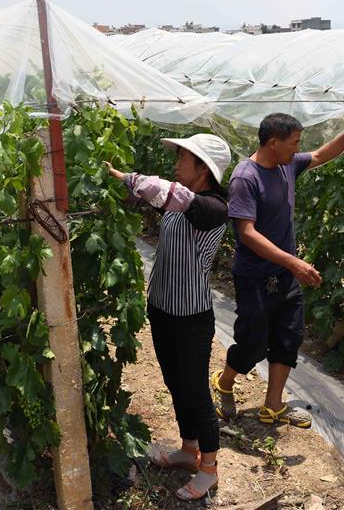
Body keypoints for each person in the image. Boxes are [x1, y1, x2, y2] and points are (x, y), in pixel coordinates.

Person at [211, 113, 344, 428]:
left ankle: (273, 405)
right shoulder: (245, 178)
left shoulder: (287, 164)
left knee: (289, 337)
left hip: (285, 275)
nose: (298, 149)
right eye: (294, 143)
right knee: (252, 345)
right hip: (255, 277)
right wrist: (293, 261)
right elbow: (247, 233)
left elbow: (321, 155)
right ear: (273, 143)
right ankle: (224, 382)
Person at [106, 133, 231, 502]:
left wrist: (126, 177)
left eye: (182, 159)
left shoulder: (212, 208)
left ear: (203, 168)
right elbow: (153, 198)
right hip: (163, 309)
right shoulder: (180, 205)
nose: (176, 165)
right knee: (176, 383)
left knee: (195, 391)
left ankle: (209, 469)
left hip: (191, 317)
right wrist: (121, 191)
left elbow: (165, 191)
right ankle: (188, 450)